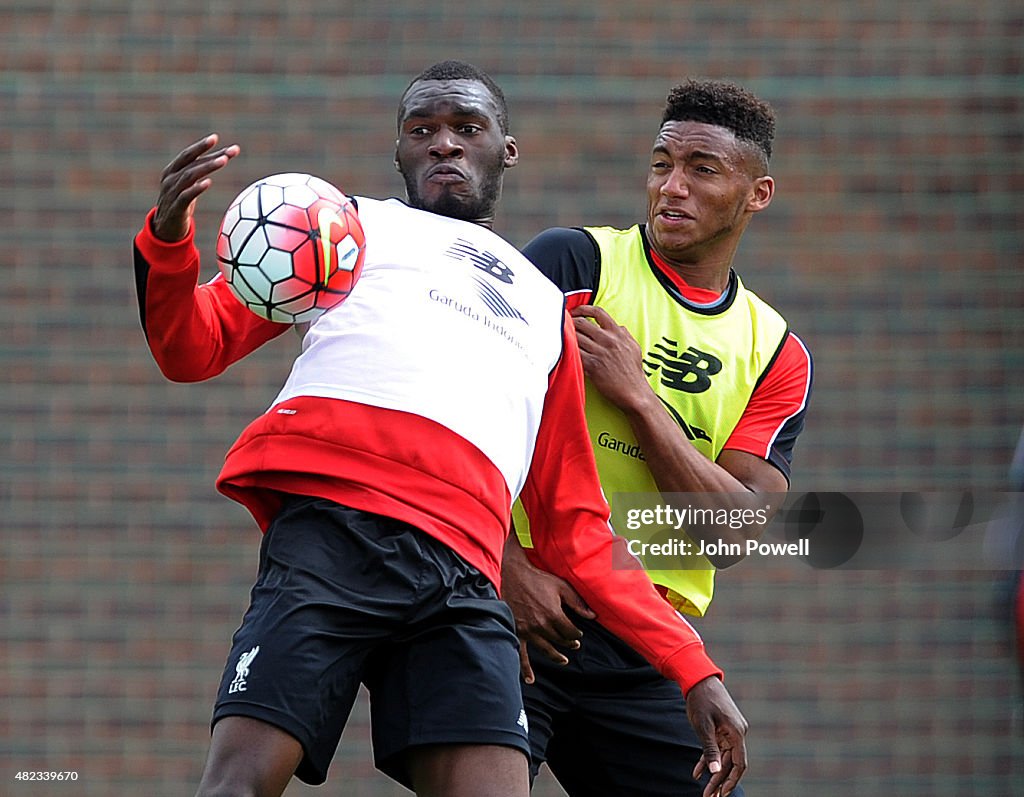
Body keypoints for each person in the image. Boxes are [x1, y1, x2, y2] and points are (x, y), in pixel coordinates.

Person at [132, 62, 748, 797]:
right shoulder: (343, 232)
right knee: (235, 785)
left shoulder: (547, 310)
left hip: (461, 582)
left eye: (466, 127)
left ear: (506, 149)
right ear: (399, 152)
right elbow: (190, 348)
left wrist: (694, 667)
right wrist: (170, 242)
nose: (443, 144)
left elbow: (579, 531)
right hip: (333, 538)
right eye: (421, 130)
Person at [504, 78, 814, 797]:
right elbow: (460, 417)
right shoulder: (575, 263)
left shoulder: (775, 351)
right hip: (526, 608)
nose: (671, 187)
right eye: (660, 164)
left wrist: (640, 400)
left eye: (701, 170)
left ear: (757, 193)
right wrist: (506, 563)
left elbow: (731, 534)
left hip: (647, 638)